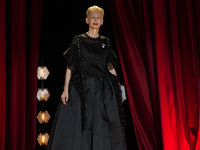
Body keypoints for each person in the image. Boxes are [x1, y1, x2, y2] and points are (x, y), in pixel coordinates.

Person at [46, 5, 127, 150]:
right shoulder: (79, 40)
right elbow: (71, 66)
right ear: (87, 20)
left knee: (101, 125)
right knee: (79, 125)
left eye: (98, 18)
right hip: (82, 89)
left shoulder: (105, 42)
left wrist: (119, 88)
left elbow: (110, 67)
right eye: (93, 17)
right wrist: (65, 89)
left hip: (102, 90)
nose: (95, 20)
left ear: (102, 21)